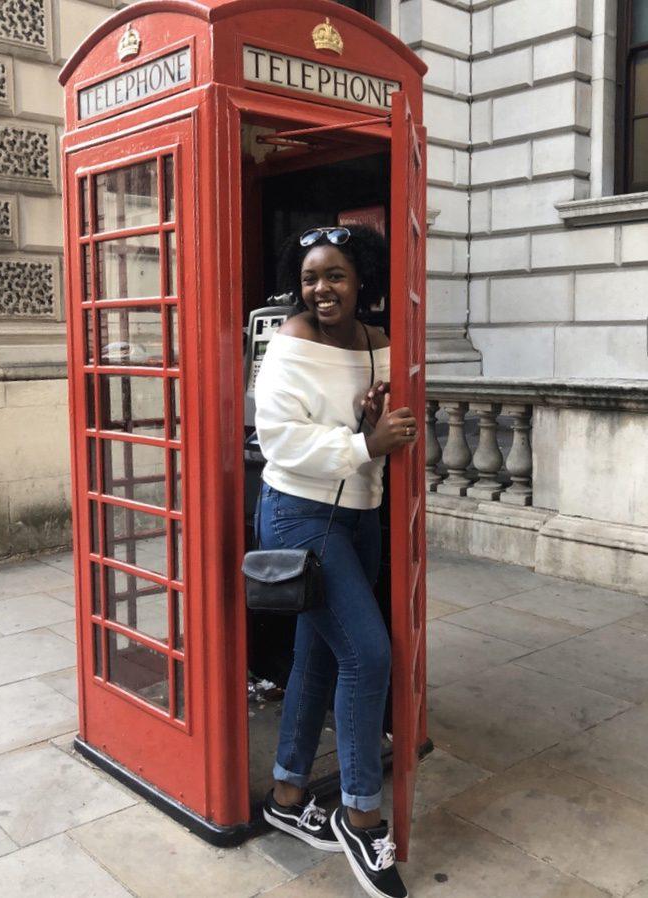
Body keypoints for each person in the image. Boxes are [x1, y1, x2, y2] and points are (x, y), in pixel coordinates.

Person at [253, 225, 418, 898]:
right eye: (310, 276)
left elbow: (358, 431)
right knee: (367, 656)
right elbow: (279, 440)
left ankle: (287, 795)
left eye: (336, 276)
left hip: (360, 512)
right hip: (299, 513)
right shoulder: (289, 343)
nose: (320, 289)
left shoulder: (379, 344)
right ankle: (359, 813)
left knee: (320, 655)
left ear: (362, 279)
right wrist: (365, 443)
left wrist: (364, 421)